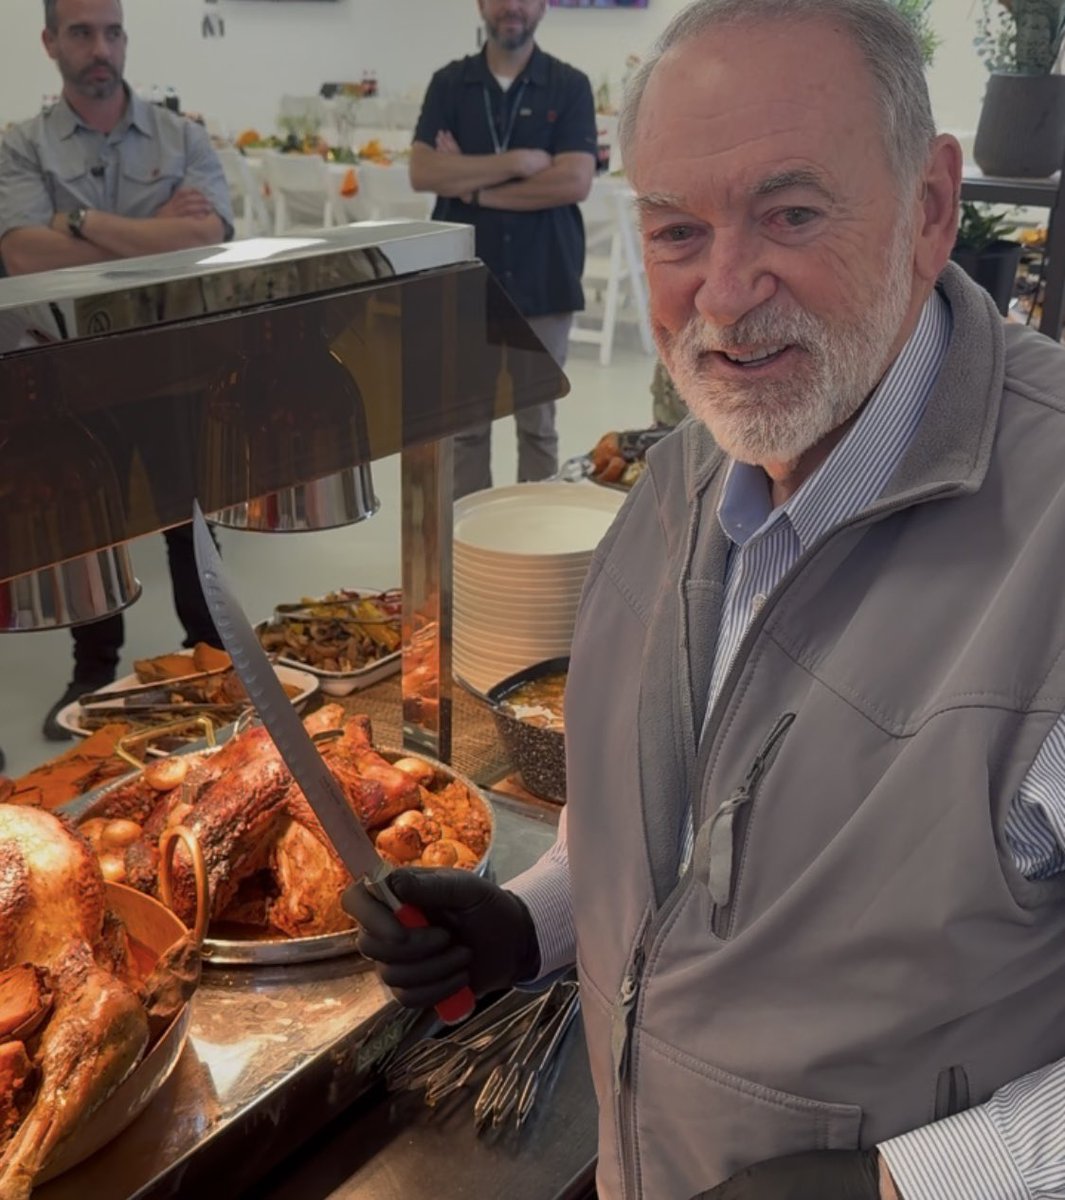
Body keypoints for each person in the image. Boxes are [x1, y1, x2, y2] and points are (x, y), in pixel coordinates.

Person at [348, 1, 1065, 1197]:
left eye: (791, 213)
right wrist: (539, 921)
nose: (724, 298)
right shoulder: (685, 472)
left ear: (932, 208)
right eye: (677, 230)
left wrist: (919, 1182)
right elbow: (684, 807)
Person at [0, 0, 234, 738]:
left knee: (188, 519)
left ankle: (216, 654)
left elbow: (209, 238)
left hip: (173, 364)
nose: (99, 49)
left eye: (111, 32)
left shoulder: (182, 136)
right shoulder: (21, 147)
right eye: (81, 33)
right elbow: (20, 255)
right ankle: (94, 668)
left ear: (125, 40)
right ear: (50, 43)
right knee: (89, 525)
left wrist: (82, 223)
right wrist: (155, 231)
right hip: (70, 373)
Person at [409, 0, 597, 497]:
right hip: (463, 278)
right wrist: (518, 161)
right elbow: (423, 172)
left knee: (537, 425)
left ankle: (529, 549)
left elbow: (574, 181)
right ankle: (474, 547)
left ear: (542, 6)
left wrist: (472, 186)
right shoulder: (449, 84)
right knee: (466, 428)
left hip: (546, 278)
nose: (512, 7)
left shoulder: (569, 85)